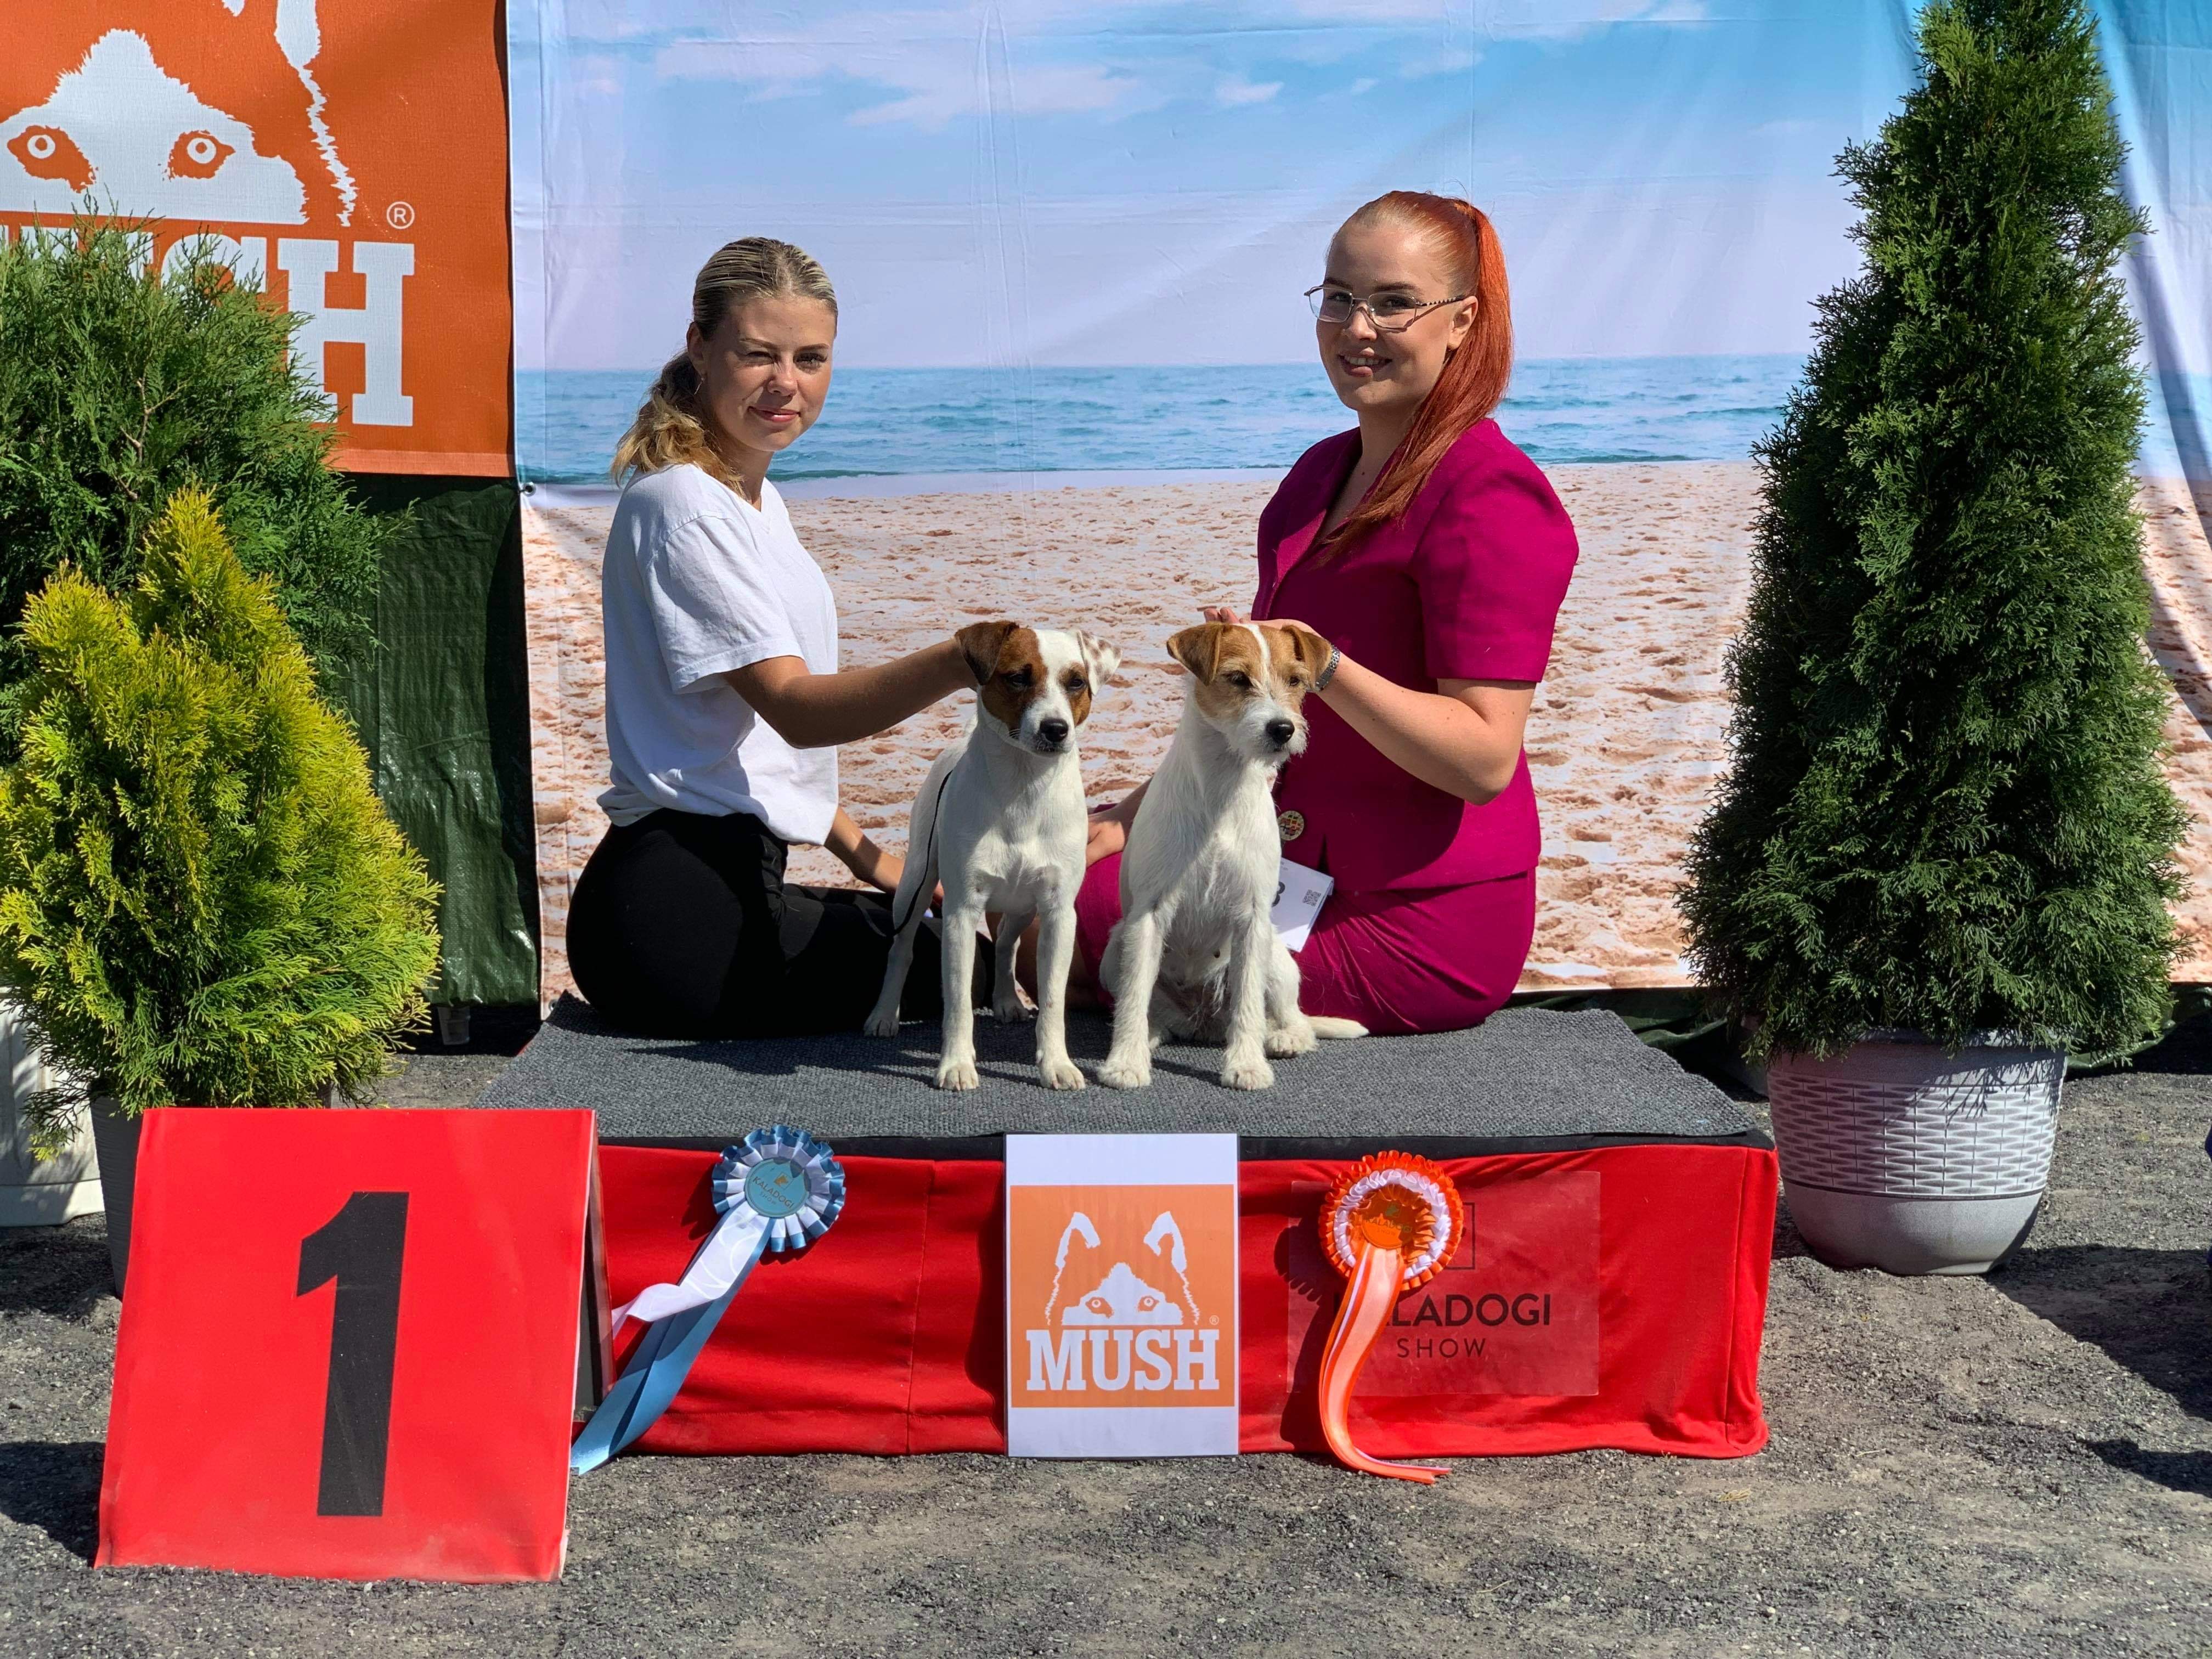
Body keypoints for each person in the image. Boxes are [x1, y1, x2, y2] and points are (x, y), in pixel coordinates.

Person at [1073, 191, 1579, 1035]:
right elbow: (1267, 709)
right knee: (1065, 893)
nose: (1357, 328)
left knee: (1093, 946)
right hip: (1290, 868)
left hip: (1419, 913)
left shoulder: (1492, 495)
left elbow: (1484, 758)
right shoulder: (1317, 476)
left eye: (1393, 302)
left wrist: (1327, 666)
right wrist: (1139, 814)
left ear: (1463, 320)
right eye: (1339, 297)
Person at [566, 237, 978, 1038]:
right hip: (678, 918)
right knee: (969, 967)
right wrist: (963, 660)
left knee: (942, 937)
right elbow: (795, 710)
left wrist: (878, 863)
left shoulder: (752, 500)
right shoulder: (685, 505)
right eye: (759, 354)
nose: (786, 382)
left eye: (810, 358)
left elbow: (758, 759)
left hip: (705, 894)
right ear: (700, 347)